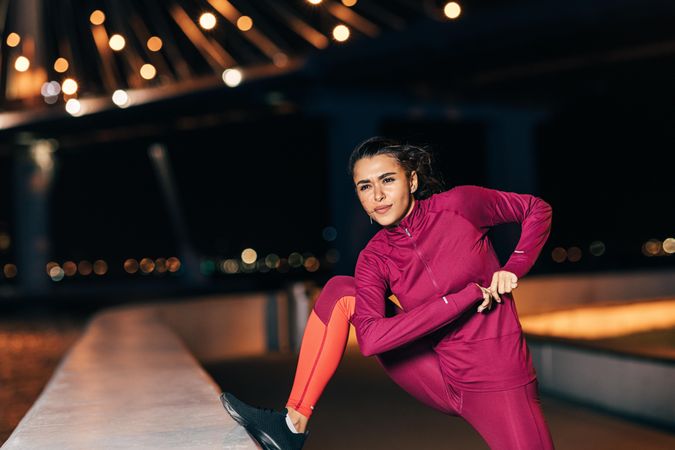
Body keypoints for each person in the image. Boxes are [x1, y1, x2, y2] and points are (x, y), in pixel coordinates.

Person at [220, 136, 555, 450]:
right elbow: (371, 340)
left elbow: (535, 209)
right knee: (340, 291)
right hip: (438, 375)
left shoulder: (460, 206)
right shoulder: (374, 257)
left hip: (499, 381)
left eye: (388, 180)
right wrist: (462, 298)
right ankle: (292, 424)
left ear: (411, 181)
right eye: (365, 186)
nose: (377, 196)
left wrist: (513, 267)